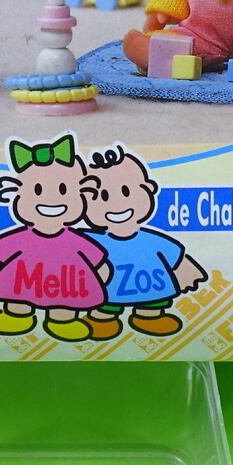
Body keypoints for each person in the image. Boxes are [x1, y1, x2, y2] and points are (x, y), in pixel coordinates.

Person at [0, 134, 110, 343]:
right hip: (23, 282)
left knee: (66, 304)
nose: (51, 199)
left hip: (68, 287)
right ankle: (17, 316)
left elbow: (98, 262)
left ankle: (62, 321)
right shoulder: (22, 238)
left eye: (63, 190)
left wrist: (101, 274)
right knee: (18, 297)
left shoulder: (76, 241)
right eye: (37, 190)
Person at [82, 144, 205, 340]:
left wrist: (188, 273)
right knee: (105, 304)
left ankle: (149, 317)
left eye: (126, 192)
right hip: (110, 288)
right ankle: (102, 319)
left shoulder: (153, 240)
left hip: (152, 287)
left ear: (149, 189)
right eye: (103, 196)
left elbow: (176, 258)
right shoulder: (94, 241)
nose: (116, 203)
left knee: (153, 302)